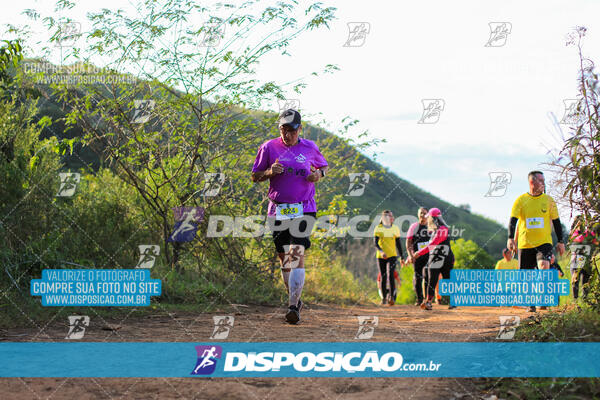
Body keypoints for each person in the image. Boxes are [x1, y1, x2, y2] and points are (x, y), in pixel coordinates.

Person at [251, 109, 329, 324]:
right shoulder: (268, 147)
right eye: (284, 130)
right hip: (277, 209)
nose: (288, 135)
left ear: (299, 129)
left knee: (296, 252)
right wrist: (269, 173)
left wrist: (318, 175)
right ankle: (295, 300)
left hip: (304, 208)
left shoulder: (310, 147)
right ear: (279, 130)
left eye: (292, 131)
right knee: (284, 259)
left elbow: (324, 167)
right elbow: (255, 176)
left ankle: (293, 306)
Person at [507, 171, 565, 312]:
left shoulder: (549, 200)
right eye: (541, 180)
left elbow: (557, 222)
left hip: (544, 243)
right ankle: (531, 303)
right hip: (525, 244)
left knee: (544, 266)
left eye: (544, 180)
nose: (544, 183)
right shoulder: (520, 200)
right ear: (532, 182)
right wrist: (510, 238)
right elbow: (513, 221)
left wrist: (561, 241)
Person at [408, 207, 456, 310]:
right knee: (432, 280)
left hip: (444, 258)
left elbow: (433, 244)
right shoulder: (435, 230)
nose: (427, 219)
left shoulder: (443, 229)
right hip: (436, 258)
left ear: (432, 218)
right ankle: (428, 302)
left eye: (428, 217)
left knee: (447, 279)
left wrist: (419, 253)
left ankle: (453, 302)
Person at [374, 210, 404, 306]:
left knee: (390, 274)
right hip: (381, 256)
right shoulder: (378, 228)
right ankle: (383, 299)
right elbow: (375, 243)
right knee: (383, 276)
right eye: (389, 216)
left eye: (392, 216)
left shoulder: (395, 228)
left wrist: (402, 257)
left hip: (392, 255)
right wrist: (381, 252)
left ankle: (392, 298)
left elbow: (399, 244)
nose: (392, 217)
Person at [569, 215, 598, 301]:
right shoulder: (574, 234)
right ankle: (576, 300)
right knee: (575, 280)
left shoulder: (588, 233)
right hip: (576, 258)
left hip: (584, 259)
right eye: (578, 223)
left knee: (585, 281)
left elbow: (595, 241)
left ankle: (585, 300)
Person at [406, 207, 431, 305]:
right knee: (418, 277)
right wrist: (410, 255)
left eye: (425, 213)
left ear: (428, 215)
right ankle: (420, 299)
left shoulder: (430, 227)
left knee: (428, 276)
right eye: (421, 213)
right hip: (417, 256)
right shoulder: (414, 226)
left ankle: (427, 299)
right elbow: (408, 242)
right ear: (418, 214)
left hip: (429, 256)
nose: (422, 215)